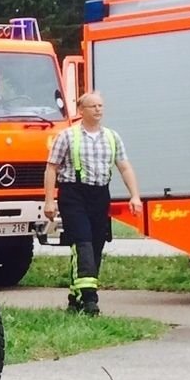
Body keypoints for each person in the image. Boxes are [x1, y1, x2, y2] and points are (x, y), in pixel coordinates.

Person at [42, 90, 142, 316]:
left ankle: (75, 297)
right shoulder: (67, 136)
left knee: (96, 245)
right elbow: (51, 167)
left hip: (99, 195)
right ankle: (90, 301)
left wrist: (134, 196)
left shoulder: (112, 137)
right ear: (81, 111)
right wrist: (49, 200)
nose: (98, 110)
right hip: (73, 194)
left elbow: (124, 166)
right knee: (82, 242)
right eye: (93, 106)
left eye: (101, 106)